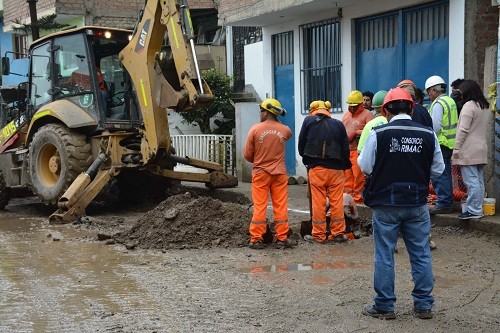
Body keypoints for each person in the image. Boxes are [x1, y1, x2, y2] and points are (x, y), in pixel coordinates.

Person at [358, 88, 445, 320]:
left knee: (384, 254)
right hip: (417, 203)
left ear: (385, 110)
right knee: (421, 253)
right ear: (412, 108)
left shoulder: (379, 133)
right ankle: (424, 305)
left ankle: (385, 306)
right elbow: (438, 169)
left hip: (386, 204)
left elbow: (365, 166)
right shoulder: (428, 134)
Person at [298, 100, 351, 243]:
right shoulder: (339, 124)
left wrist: (307, 160)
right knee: (337, 202)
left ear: (313, 110)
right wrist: (344, 167)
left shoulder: (309, 120)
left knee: (319, 202)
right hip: (336, 171)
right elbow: (345, 149)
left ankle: (319, 235)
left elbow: (301, 144)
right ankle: (338, 233)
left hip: (317, 169)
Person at [243, 98, 293, 249]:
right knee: (281, 206)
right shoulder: (285, 130)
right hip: (279, 174)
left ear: (267, 113)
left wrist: (259, 159)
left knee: (260, 206)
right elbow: (286, 135)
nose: (260, 113)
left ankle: (256, 239)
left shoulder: (255, 129)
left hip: (261, 173)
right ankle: (282, 238)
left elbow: (247, 154)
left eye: (261, 111)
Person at [452, 80, 490, 219]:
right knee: (478, 180)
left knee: (471, 181)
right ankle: (477, 208)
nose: (459, 95)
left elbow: (463, 129)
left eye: (461, 92)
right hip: (481, 147)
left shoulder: (469, 106)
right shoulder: (484, 106)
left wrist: (456, 148)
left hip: (468, 149)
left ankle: (473, 210)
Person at [425, 75, 458, 215]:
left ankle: (444, 203)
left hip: (441, 143)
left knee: (440, 174)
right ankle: (447, 201)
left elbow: (436, 126)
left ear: (434, 90)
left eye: (429, 92)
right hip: (450, 143)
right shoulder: (450, 101)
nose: (428, 95)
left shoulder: (438, 103)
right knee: (446, 174)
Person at [342, 90, 374, 204]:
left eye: (354, 106)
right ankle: (347, 198)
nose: (351, 108)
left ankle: (358, 200)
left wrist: (356, 132)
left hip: (359, 151)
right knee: (347, 176)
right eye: (350, 105)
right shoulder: (346, 115)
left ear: (360, 104)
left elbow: (371, 131)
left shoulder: (367, 114)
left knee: (358, 177)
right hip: (347, 151)